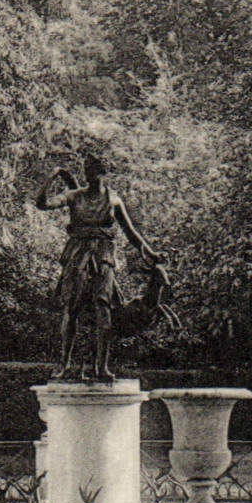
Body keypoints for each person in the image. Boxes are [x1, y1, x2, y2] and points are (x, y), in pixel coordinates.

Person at [35, 154, 164, 382]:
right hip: (77, 253)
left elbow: (131, 233)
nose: (92, 177)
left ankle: (101, 367)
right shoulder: (74, 196)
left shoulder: (114, 200)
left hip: (104, 254)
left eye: (96, 172)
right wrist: (53, 175)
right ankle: (63, 364)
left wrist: (151, 253)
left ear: (104, 174)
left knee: (103, 307)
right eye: (88, 173)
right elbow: (42, 204)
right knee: (71, 308)